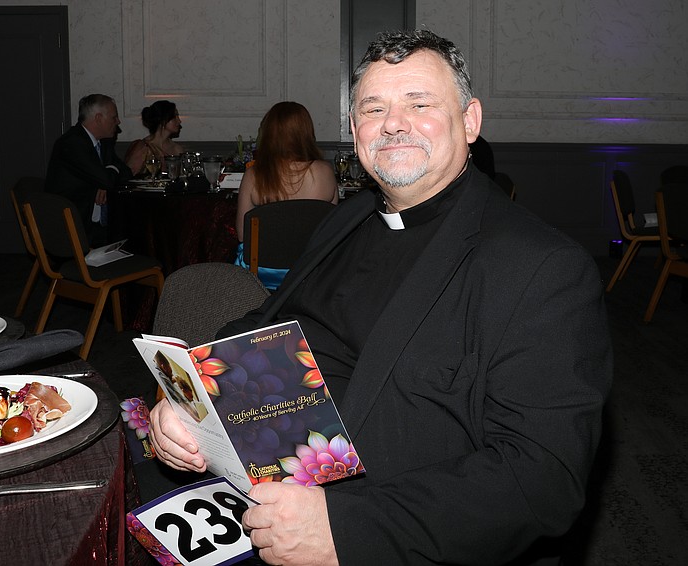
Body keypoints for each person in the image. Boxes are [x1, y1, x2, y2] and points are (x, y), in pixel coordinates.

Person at [147, 29, 612, 565]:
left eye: (420, 103)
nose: (393, 122)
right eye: (374, 108)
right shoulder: (347, 218)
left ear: (470, 121)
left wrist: (346, 531)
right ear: (354, 129)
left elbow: (543, 479)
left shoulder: (543, 268)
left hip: (383, 532)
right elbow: (266, 324)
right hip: (266, 471)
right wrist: (189, 397)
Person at [234, 101, 338, 289]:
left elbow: (243, 235)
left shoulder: (254, 174)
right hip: (311, 272)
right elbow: (331, 230)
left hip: (262, 275)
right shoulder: (325, 171)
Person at [45, 94, 132, 246]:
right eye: (114, 117)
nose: (118, 122)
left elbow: (126, 172)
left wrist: (104, 180)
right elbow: (108, 179)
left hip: (96, 226)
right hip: (73, 229)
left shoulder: (104, 143)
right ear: (98, 118)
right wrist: (106, 177)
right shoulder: (71, 144)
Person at [123, 100, 183, 176]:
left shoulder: (176, 149)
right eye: (175, 116)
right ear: (163, 120)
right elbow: (128, 176)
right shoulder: (143, 147)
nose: (179, 121)